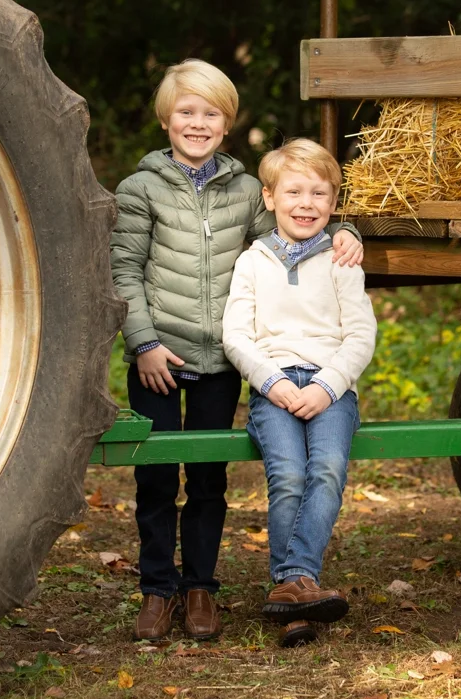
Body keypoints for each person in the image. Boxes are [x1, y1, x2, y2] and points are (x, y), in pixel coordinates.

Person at [110, 61, 363, 642]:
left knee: (206, 479)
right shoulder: (140, 189)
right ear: (166, 119)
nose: (198, 124)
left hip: (221, 362)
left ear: (227, 123)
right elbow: (123, 269)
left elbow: (295, 227)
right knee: (154, 477)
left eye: (211, 113)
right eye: (186, 112)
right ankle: (157, 590)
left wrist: (349, 231)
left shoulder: (249, 189)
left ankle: (200, 588)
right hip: (159, 360)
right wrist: (144, 343)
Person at [221, 138, 378, 647]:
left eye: (318, 194)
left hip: (331, 388)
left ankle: (292, 588)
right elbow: (236, 337)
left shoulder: (341, 260)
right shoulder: (253, 262)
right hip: (275, 390)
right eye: (294, 192)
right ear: (269, 198)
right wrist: (275, 383)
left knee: (327, 470)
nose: (306, 204)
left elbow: (360, 336)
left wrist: (329, 386)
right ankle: (299, 588)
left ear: (333, 204)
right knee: (288, 475)